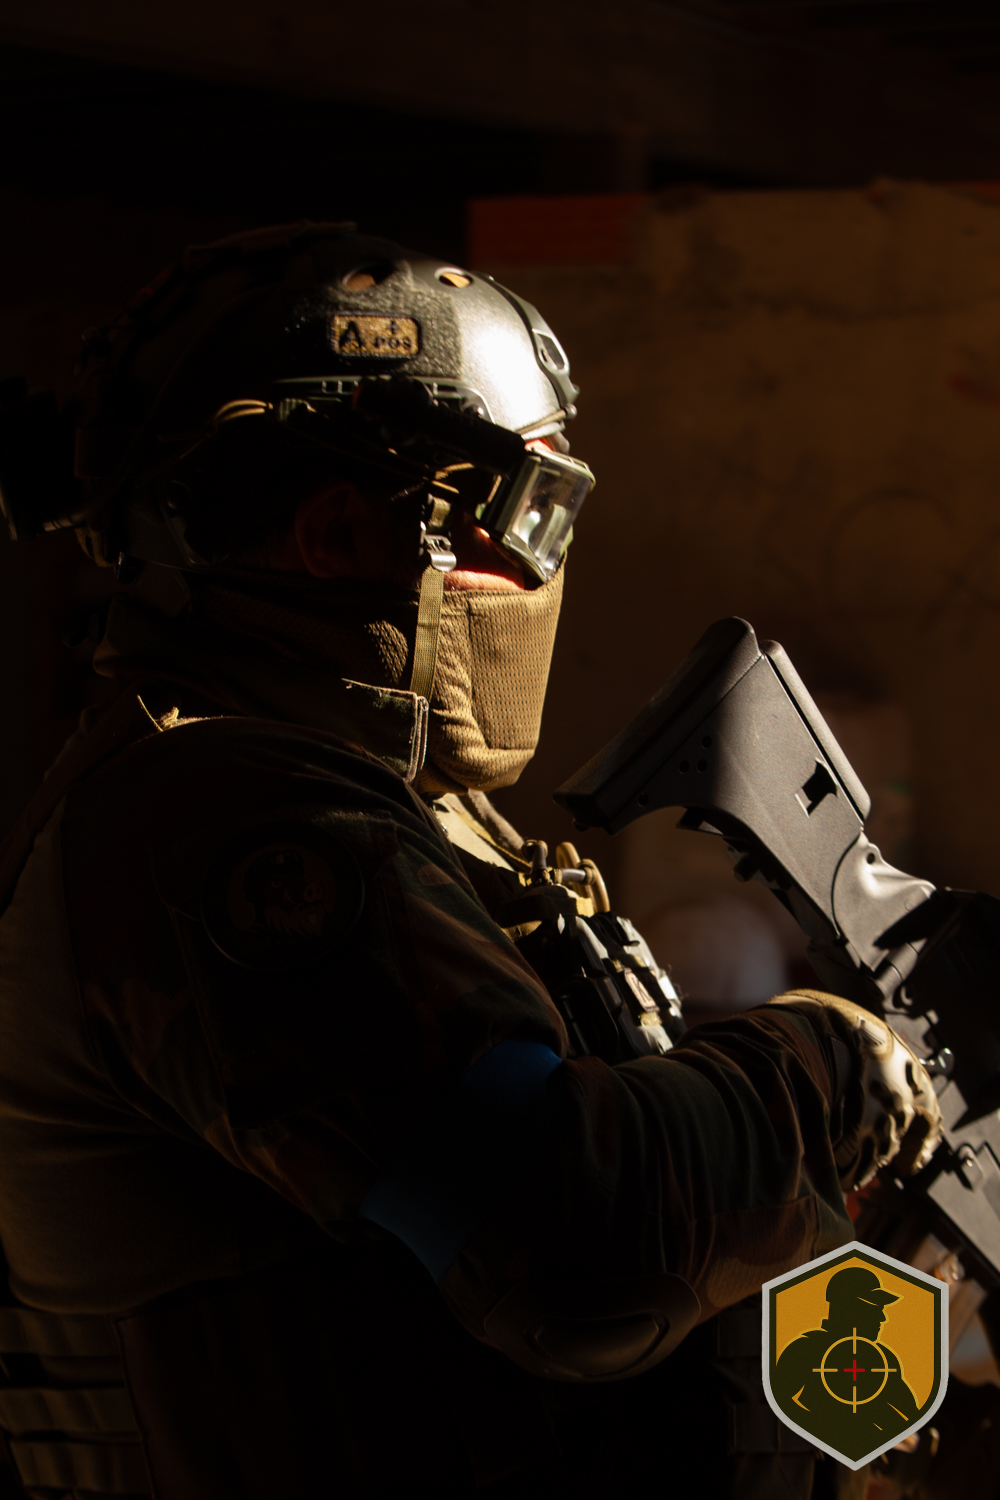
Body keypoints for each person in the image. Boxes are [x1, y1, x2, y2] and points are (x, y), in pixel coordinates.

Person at [0, 221, 942, 1500]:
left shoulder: (401, 811)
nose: (547, 566)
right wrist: (826, 1067)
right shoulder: (234, 822)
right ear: (341, 533)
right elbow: (572, 1246)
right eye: (530, 513)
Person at [773, 1266, 920, 1461]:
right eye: (874, 1306)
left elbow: (909, 1420)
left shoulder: (884, 1360)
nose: (883, 1317)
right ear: (847, 1305)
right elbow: (774, 1407)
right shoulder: (808, 1349)